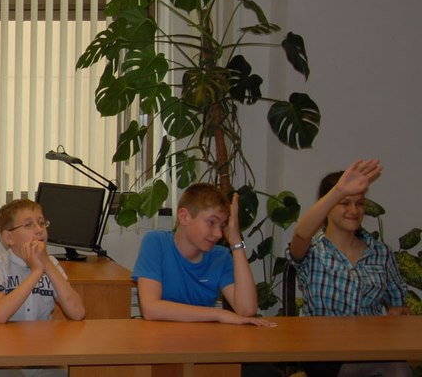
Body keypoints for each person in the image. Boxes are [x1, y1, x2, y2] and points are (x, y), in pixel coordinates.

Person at [288, 159, 410, 377]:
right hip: (324, 354)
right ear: (327, 206)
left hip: (371, 349)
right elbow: (300, 234)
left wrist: (395, 317)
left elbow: (397, 305)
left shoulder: (380, 252)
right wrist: (338, 190)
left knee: (395, 365)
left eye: (360, 203)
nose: (354, 210)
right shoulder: (313, 250)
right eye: (344, 203)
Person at [132, 182, 272, 326]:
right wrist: (219, 314)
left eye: (222, 226)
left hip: (203, 337)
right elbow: (151, 309)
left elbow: (247, 310)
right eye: (211, 222)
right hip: (160, 337)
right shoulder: (156, 243)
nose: (219, 234)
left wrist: (236, 242)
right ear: (184, 217)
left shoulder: (221, 257)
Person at [0, 199, 85, 376]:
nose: (39, 229)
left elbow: (77, 312)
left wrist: (46, 263)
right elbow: (1, 314)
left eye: (42, 223)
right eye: (28, 225)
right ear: (9, 237)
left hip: (42, 356)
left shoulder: (52, 264)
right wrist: (36, 271)